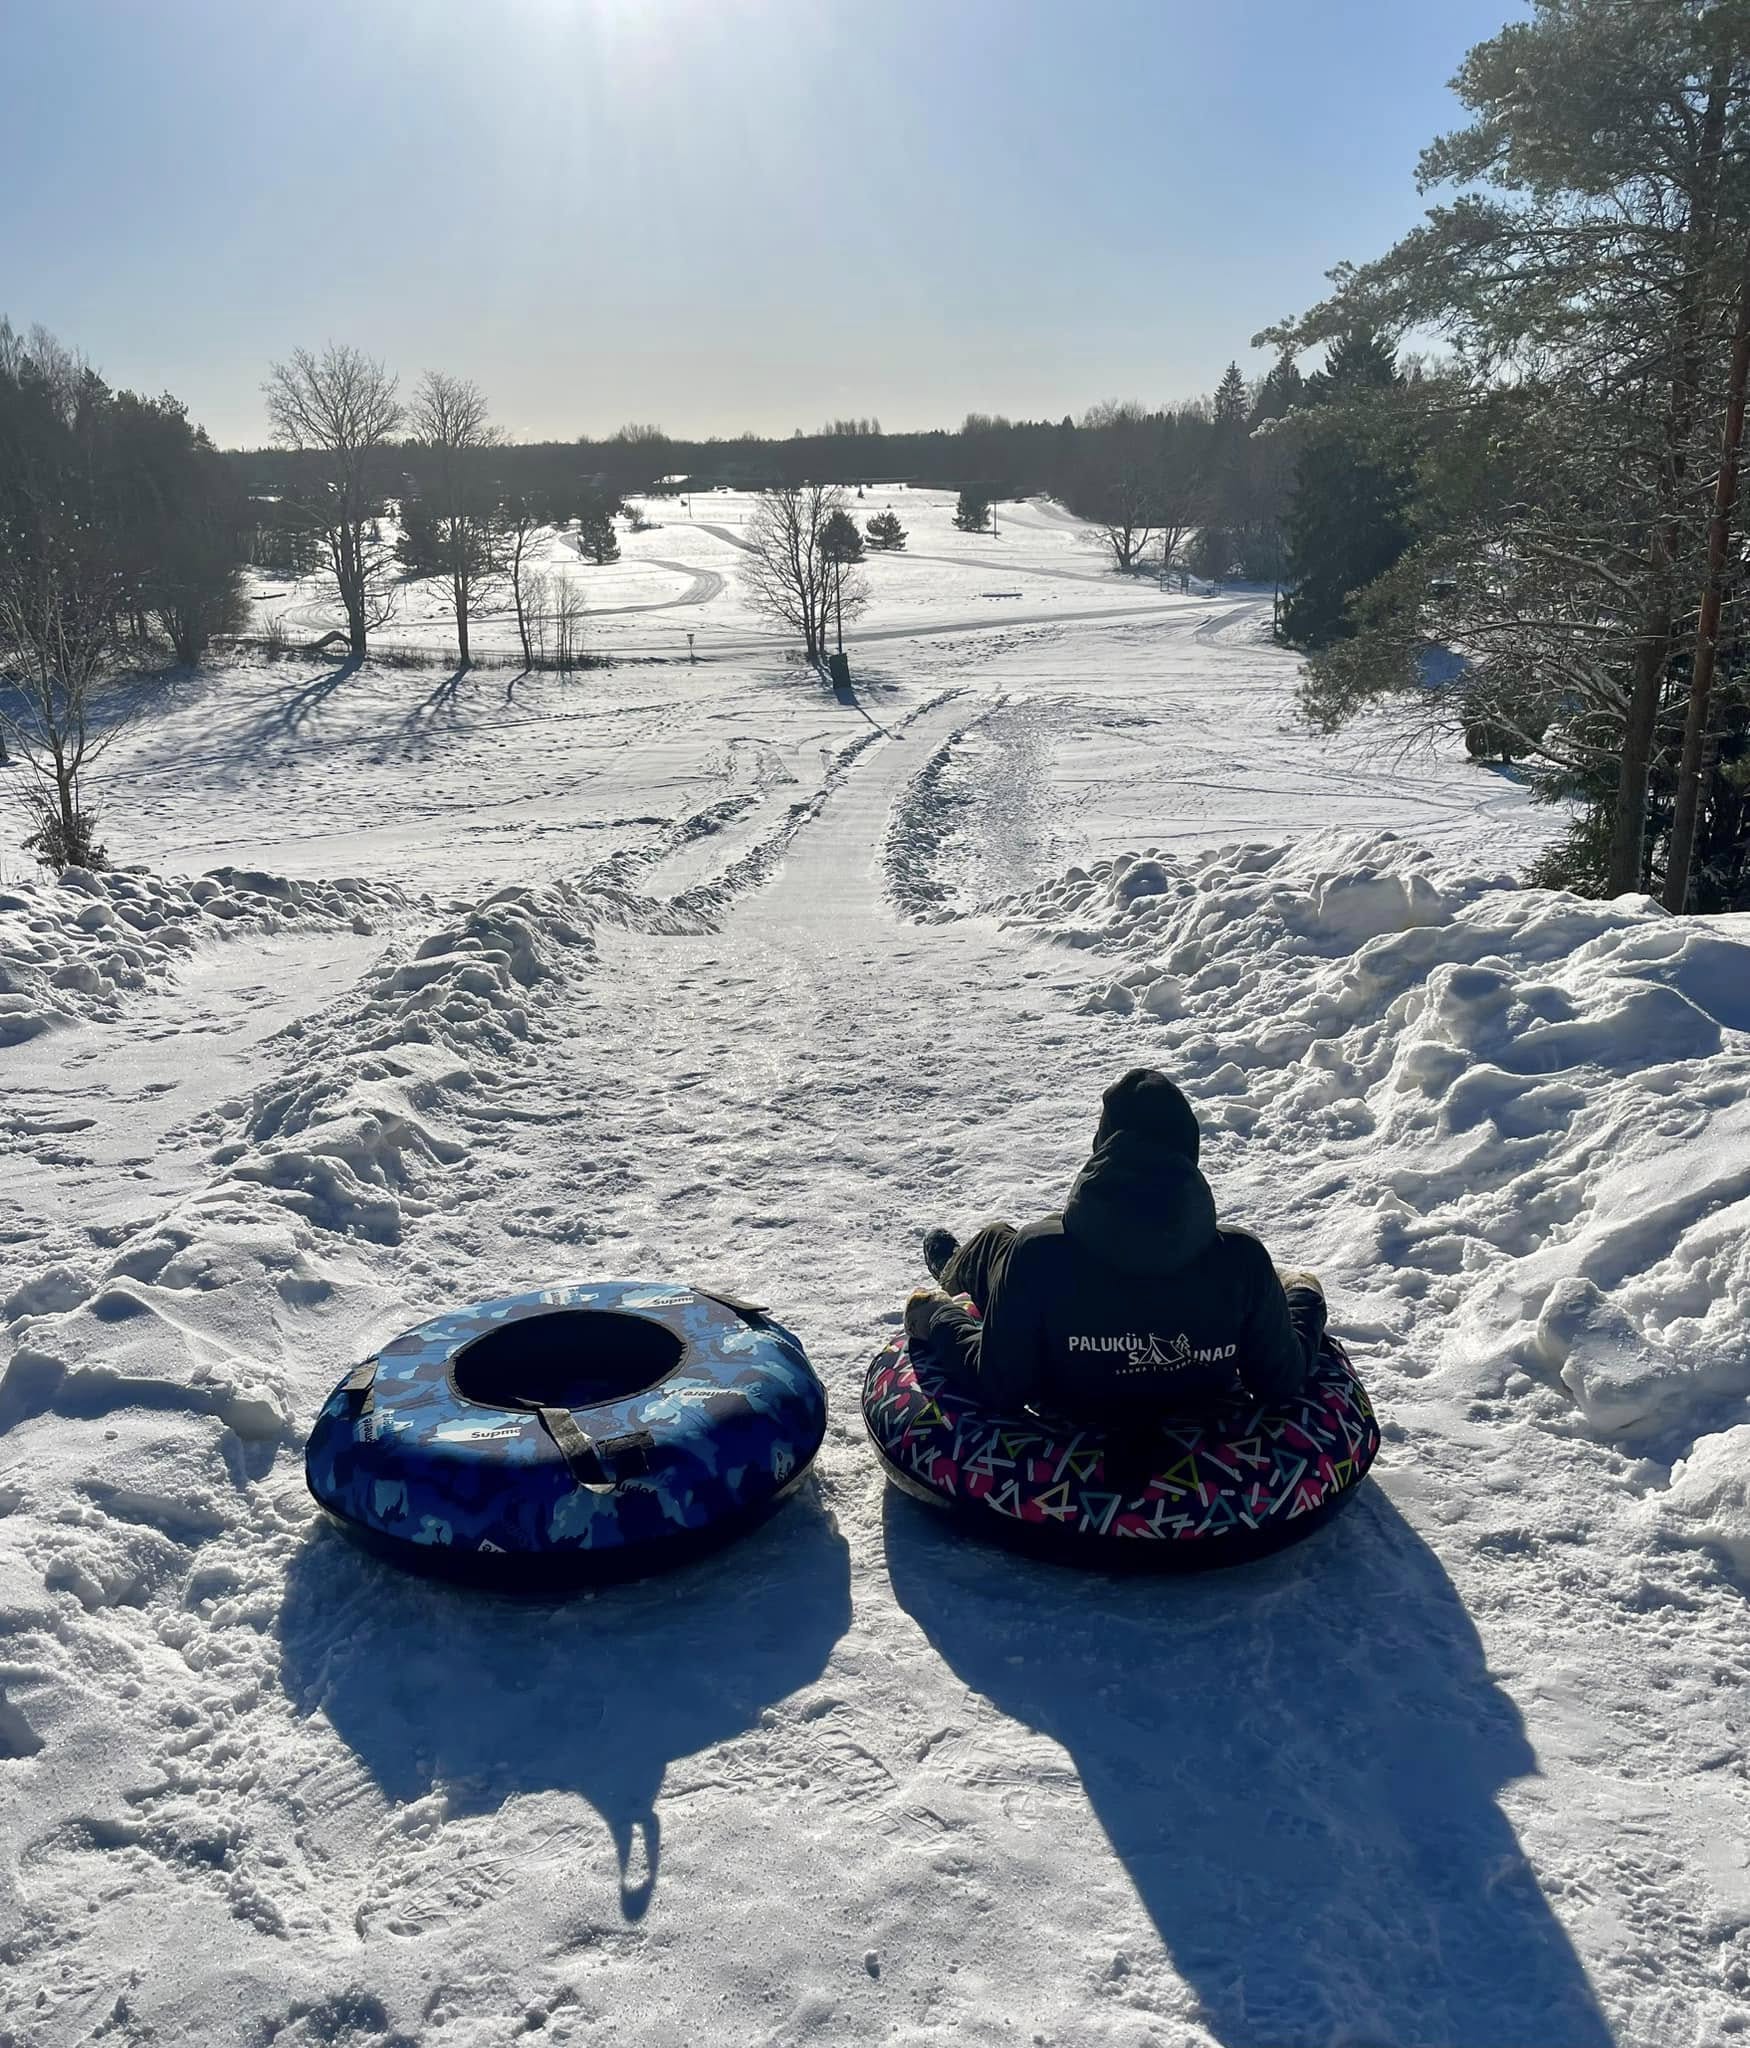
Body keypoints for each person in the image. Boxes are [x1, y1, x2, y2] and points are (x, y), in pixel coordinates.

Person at [904, 1068, 1327, 1425]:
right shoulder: (1243, 1260)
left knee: (998, 1241)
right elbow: (1280, 1380)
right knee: (1024, 1245)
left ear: (1104, 1146)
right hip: (1196, 1397)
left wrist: (938, 1316)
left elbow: (1000, 1384)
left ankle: (951, 1274)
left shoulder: (1035, 1254)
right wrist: (1304, 1296)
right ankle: (959, 1268)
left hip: (1071, 1396)